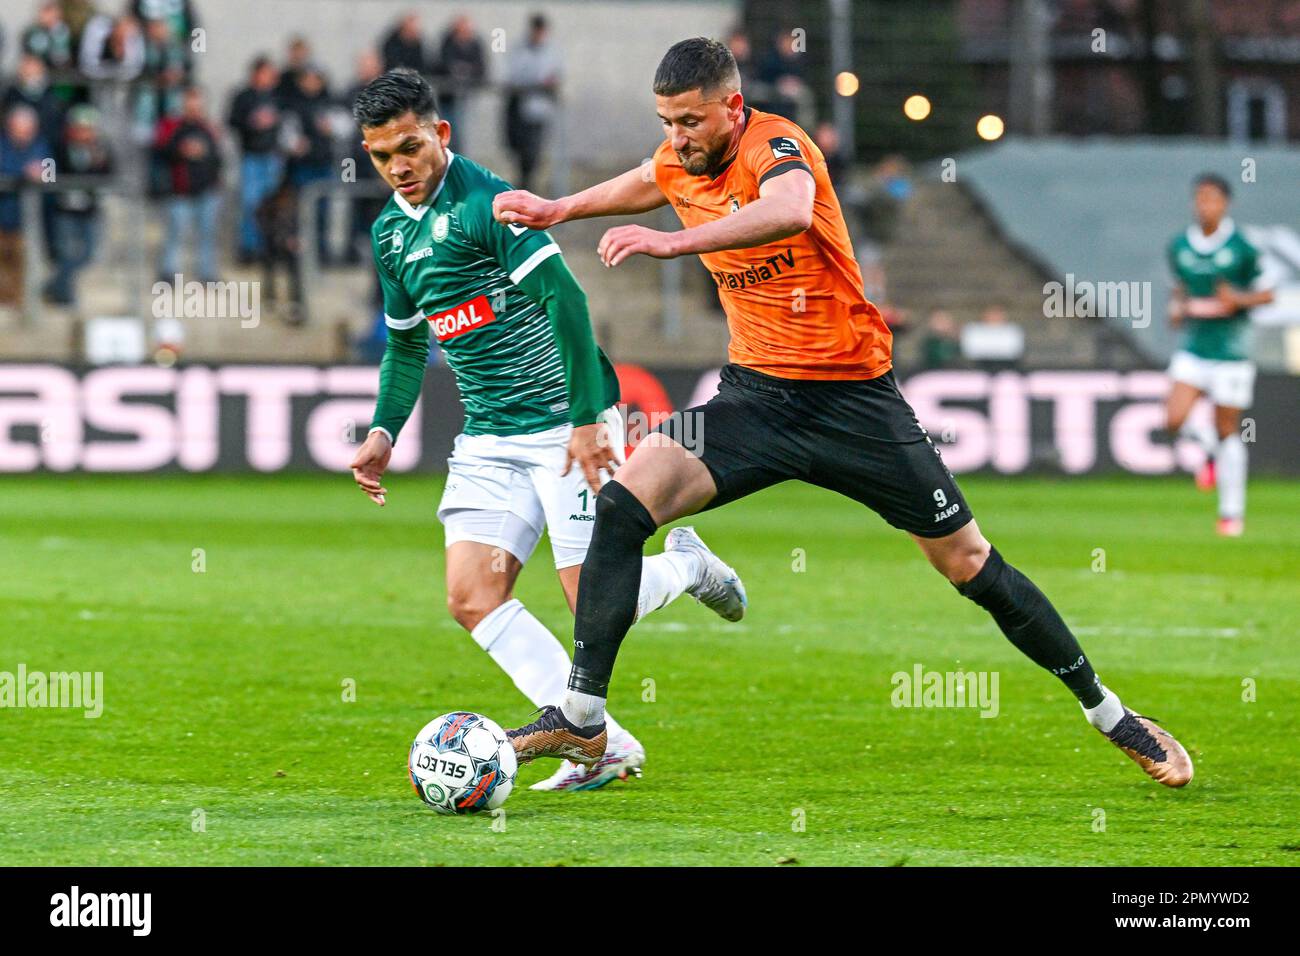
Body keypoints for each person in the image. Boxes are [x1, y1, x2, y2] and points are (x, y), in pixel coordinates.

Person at [492, 37, 1194, 788]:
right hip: (754, 398)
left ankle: (1112, 715)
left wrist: (674, 243)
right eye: (666, 121)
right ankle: (583, 719)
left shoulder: (779, 144)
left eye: (690, 121)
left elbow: (789, 211)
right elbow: (644, 178)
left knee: (970, 565)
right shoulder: (681, 156)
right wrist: (560, 207)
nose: (676, 138)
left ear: (732, 107)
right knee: (625, 502)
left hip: (854, 402)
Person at [347, 69, 746, 792]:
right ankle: (602, 744)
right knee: (473, 597)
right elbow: (407, 342)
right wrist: (383, 431)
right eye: (380, 156)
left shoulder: (487, 206)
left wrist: (590, 421)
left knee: (585, 597)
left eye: (409, 146)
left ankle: (687, 565)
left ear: (440, 134)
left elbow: (567, 303)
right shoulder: (388, 233)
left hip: (562, 426)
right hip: (489, 438)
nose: (398, 167)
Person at [1164, 173, 1274, 537]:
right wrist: (1176, 307)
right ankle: (1208, 452)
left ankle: (1231, 513)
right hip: (1195, 348)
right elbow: (1180, 289)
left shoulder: (1243, 247)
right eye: (1199, 197)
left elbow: (1268, 293)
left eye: (1211, 198)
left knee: (1228, 428)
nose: (1204, 204)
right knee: (1174, 418)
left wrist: (1238, 300)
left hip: (1232, 350)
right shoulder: (1180, 245)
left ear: (1225, 203)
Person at [44, 104, 113, 305]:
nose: (84, 133)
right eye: (80, 128)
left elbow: (110, 176)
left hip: (89, 209)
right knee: (64, 252)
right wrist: (61, 187)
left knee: (88, 254)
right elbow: (47, 173)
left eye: (88, 129)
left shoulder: (101, 150)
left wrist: (99, 166)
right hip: (64, 209)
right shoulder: (57, 147)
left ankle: (54, 284)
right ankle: (65, 296)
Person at [155, 85, 222, 283]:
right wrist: (181, 150)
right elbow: (161, 151)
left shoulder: (209, 128)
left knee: (207, 235)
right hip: (180, 190)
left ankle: (207, 274)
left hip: (207, 190)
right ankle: (169, 273)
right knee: (175, 233)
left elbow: (218, 156)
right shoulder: (172, 126)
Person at [228, 55, 285, 262]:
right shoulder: (243, 96)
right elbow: (232, 121)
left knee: (270, 204)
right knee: (250, 203)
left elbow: (287, 123)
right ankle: (249, 248)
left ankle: (268, 246)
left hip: (272, 156)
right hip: (251, 156)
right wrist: (251, 122)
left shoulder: (277, 97)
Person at [503, 14, 561, 193]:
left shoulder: (551, 51)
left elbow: (556, 74)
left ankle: (528, 188)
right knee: (520, 152)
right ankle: (522, 186)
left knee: (533, 154)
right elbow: (514, 76)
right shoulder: (520, 49)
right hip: (520, 109)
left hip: (539, 111)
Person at [0, 105, 50, 308]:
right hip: (3, 213)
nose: (23, 134)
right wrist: (23, 173)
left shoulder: (40, 146)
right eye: (18, 129)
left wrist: (42, 173)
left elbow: (51, 170)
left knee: (22, 261)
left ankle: (19, 303)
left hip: (27, 219)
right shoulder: (2, 146)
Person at [433, 15, 486, 147]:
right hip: (448, 97)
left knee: (464, 131)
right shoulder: (446, 44)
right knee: (449, 130)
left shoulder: (475, 45)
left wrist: (468, 72)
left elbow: (482, 68)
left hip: (467, 96)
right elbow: (440, 65)